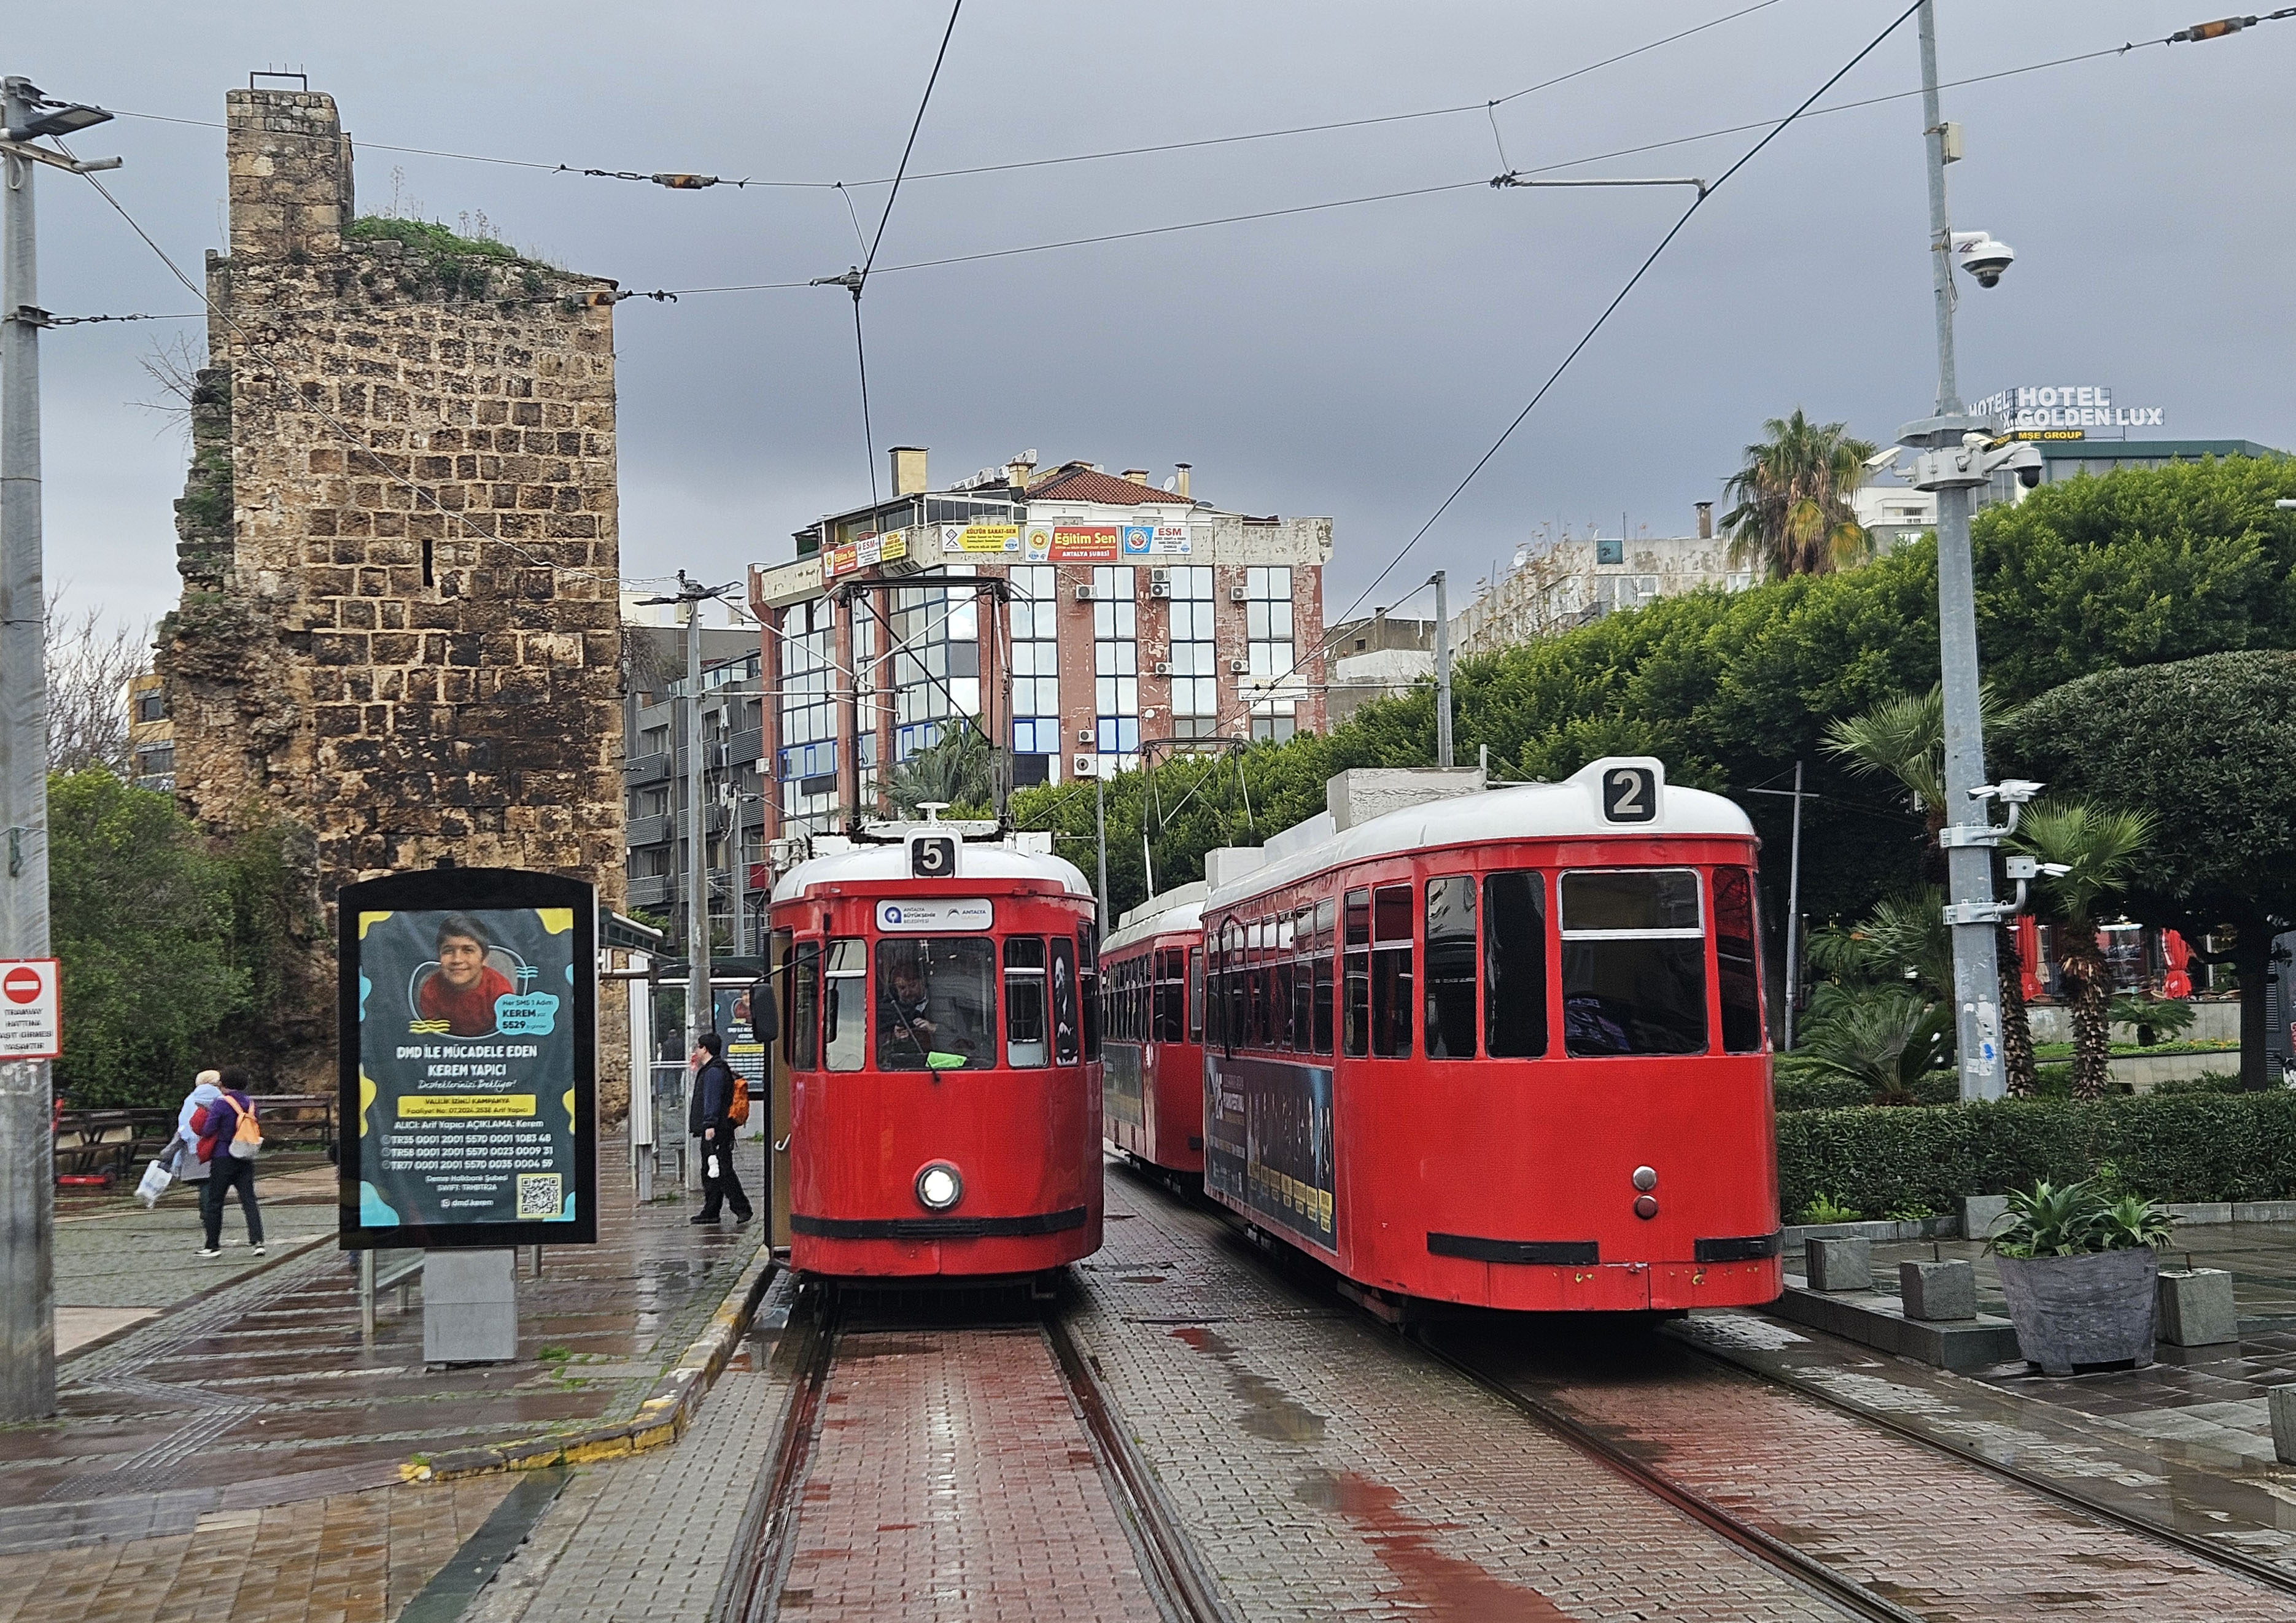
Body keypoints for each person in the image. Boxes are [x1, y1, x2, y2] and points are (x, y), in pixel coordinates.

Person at [191, 1066, 264, 1258]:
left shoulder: (221, 1104)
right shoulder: (251, 1104)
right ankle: (258, 1242)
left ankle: (212, 1246)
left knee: (215, 1202)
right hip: (245, 1156)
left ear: (222, 1084)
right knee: (249, 1200)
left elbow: (208, 1130)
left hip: (223, 1156)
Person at [687, 1031, 752, 1225]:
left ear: (705, 1049)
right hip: (718, 1128)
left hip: (716, 1130)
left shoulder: (714, 1072)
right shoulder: (715, 1069)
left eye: (698, 1047)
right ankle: (711, 1210)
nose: (696, 1051)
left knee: (722, 1169)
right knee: (711, 1170)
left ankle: (742, 1208)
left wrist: (709, 1124)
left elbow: (712, 1100)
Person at [419, 913, 512, 1037]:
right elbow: (434, 1037)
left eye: (468, 950)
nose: (457, 960)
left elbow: (507, 1036)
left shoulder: (500, 990)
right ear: (439, 957)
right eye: (448, 951)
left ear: (484, 959)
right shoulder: (430, 990)